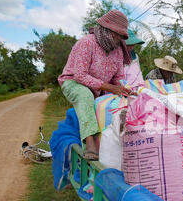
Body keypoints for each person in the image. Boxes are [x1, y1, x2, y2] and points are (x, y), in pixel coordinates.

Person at [58, 9, 138, 161]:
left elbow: (119, 78)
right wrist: (110, 88)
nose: (120, 39)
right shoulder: (87, 42)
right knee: (85, 94)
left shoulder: (118, 51)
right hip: (73, 83)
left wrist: (125, 89)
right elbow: (79, 74)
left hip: (99, 89)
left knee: (119, 102)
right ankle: (90, 143)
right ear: (108, 30)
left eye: (122, 36)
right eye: (118, 34)